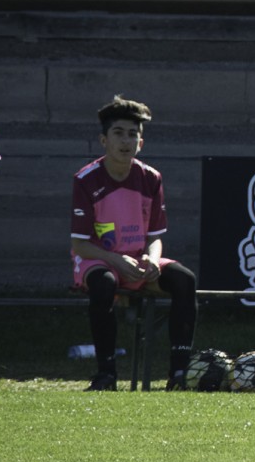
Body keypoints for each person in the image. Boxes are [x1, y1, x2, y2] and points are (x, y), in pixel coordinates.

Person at [69, 96, 197, 391]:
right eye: (118, 133)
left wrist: (151, 259)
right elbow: (80, 245)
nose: (125, 141)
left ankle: (179, 374)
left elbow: (155, 237)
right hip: (99, 259)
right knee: (103, 284)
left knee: (185, 279)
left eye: (132, 134)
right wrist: (116, 260)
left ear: (141, 143)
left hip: (138, 260)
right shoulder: (86, 179)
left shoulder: (151, 177)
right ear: (104, 140)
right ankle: (107, 374)